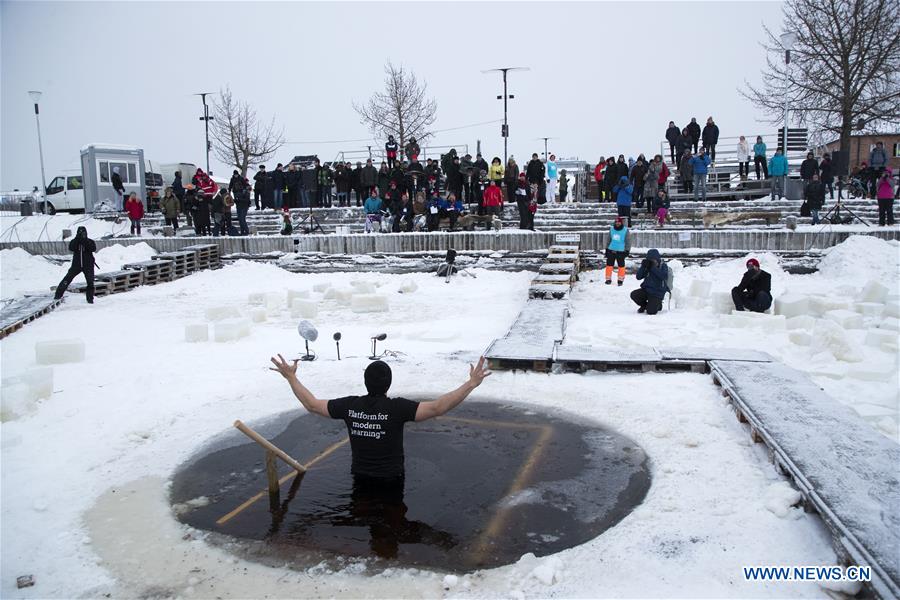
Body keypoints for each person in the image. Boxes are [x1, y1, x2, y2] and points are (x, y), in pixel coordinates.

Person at [268, 354, 491, 507]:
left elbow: (312, 405)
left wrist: (291, 377)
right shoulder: (397, 408)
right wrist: (471, 383)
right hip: (391, 479)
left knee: (362, 513)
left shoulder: (350, 406)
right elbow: (438, 407)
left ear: (365, 381)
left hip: (360, 477)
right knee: (392, 519)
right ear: (388, 383)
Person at [53, 226, 97, 303]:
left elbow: (93, 248)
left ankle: (90, 299)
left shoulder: (90, 241)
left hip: (88, 265)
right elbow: (71, 248)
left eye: (83, 233)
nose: (82, 234)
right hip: (76, 265)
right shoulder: (75, 241)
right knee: (67, 279)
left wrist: (85, 240)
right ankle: (58, 295)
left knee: (90, 282)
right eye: (80, 233)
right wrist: (78, 239)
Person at [630, 249, 669, 315]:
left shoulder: (663, 266)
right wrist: (643, 266)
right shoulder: (647, 266)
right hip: (647, 290)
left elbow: (664, 276)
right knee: (634, 294)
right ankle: (644, 305)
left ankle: (658, 304)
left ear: (657, 259)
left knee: (651, 312)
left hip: (657, 292)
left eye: (654, 260)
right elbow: (638, 277)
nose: (652, 261)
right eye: (650, 260)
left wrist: (652, 268)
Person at [604, 216, 629, 286]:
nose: (617, 223)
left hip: (621, 251)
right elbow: (608, 240)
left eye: (619, 222)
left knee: (621, 266)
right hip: (611, 250)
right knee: (609, 265)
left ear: (621, 223)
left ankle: (620, 280)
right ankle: (608, 279)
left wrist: (627, 250)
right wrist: (606, 249)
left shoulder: (625, 230)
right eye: (616, 222)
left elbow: (628, 242)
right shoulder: (612, 229)